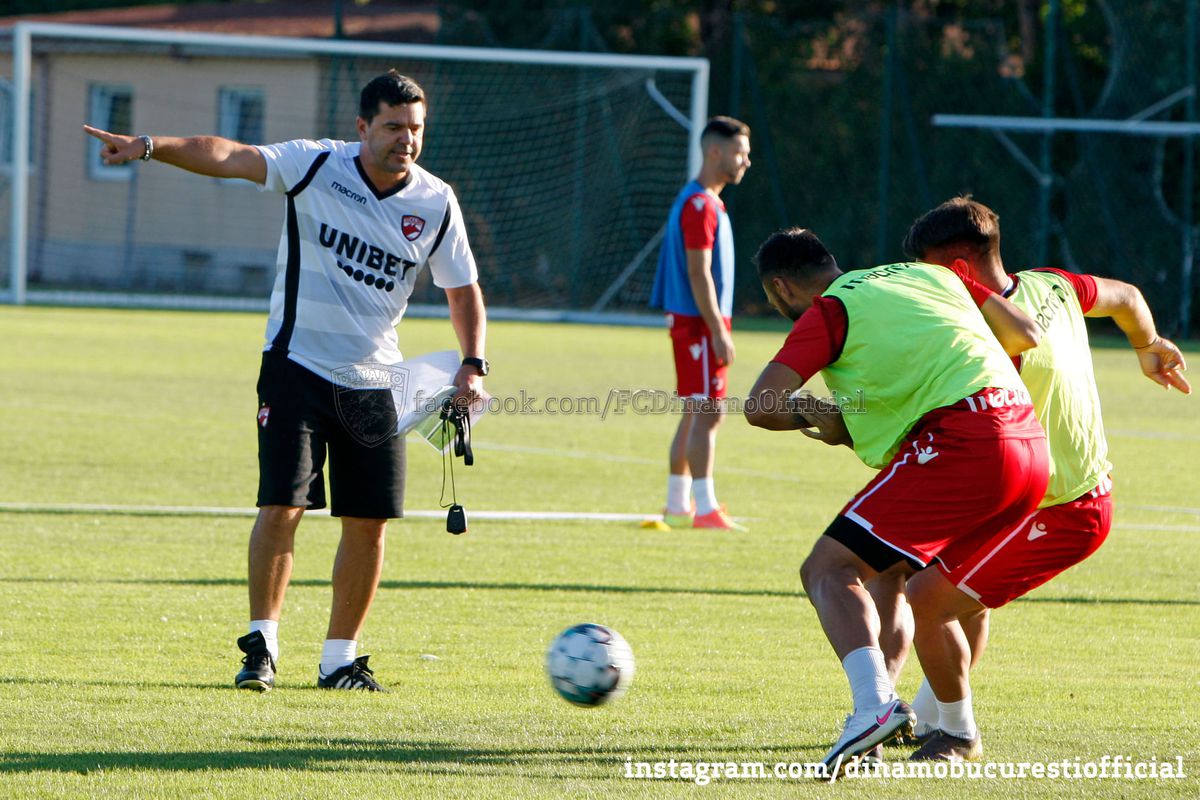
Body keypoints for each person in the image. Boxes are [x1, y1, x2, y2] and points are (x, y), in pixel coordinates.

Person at [84, 71, 488, 693]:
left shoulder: (437, 201)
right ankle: (261, 647)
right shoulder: (314, 164)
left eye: (415, 129)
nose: (406, 140)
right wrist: (148, 146)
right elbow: (230, 155)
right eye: (392, 127)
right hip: (295, 365)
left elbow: (462, 290)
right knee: (283, 506)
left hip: (377, 381)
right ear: (362, 128)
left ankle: (340, 660)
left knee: (369, 521)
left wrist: (472, 362)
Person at [868, 196, 1191, 760]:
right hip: (1021, 499)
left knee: (928, 597)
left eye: (930, 269)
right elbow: (1129, 298)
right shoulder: (1053, 286)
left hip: (1063, 508)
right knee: (957, 593)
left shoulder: (980, 328)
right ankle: (929, 712)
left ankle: (958, 733)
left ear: (960, 267)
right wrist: (1148, 347)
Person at [744, 228, 1048, 773]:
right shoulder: (930, 275)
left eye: (773, 300)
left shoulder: (829, 311)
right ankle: (929, 724)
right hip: (1029, 448)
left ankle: (872, 708)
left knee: (829, 567)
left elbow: (761, 405)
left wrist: (823, 419)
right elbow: (1025, 332)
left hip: (961, 444)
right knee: (898, 577)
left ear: (783, 288)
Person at [647, 116, 752, 531]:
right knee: (709, 413)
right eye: (740, 153)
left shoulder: (701, 201)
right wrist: (718, 329)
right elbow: (698, 273)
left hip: (695, 323)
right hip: (700, 324)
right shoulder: (700, 205)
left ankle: (677, 505)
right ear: (716, 152)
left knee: (696, 412)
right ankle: (705, 508)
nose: (746, 162)